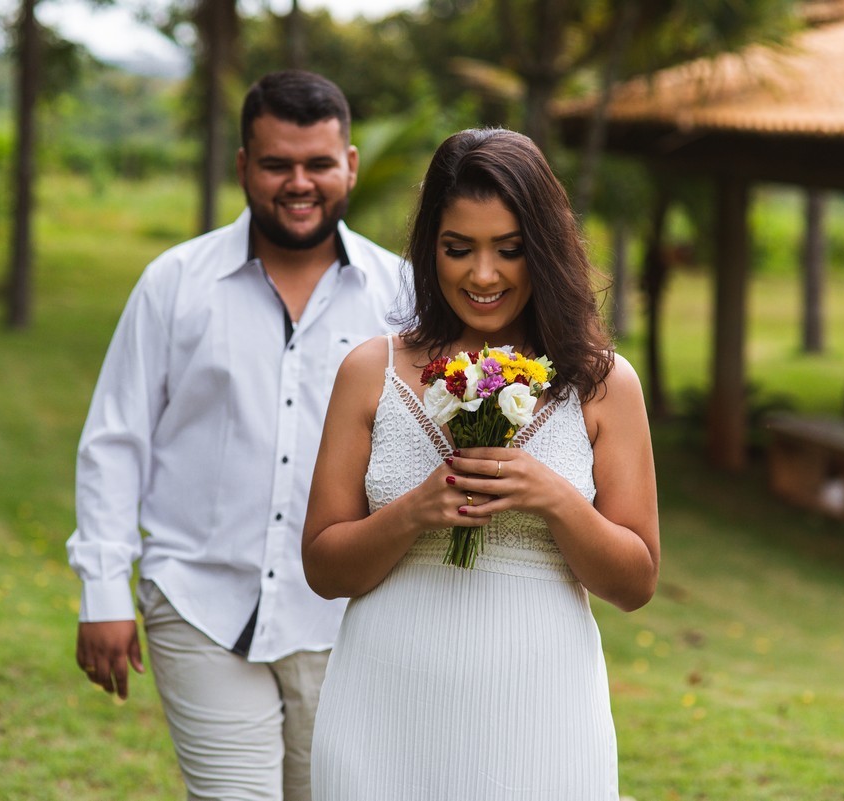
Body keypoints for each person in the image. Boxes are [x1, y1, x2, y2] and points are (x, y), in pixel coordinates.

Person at [66, 70, 407, 801]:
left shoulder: (400, 298)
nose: (299, 182)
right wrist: (103, 590)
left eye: (318, 163)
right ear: (244, 165)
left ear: (348, 164)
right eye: (278, 163)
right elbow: (114, 439)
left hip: (346, 620)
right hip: (198, 600)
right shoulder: (175, 282)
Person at [302, 128, 660, 800]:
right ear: (429, 247)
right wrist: (414, 511)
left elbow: (636, 580)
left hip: (542, 714)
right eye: (458, 248)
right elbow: (322, 566)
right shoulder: (369, 372)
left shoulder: (604, 384)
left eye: (510, 249)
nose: (483, 274)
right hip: (384, 705)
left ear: (545, 251)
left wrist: (552, 497)